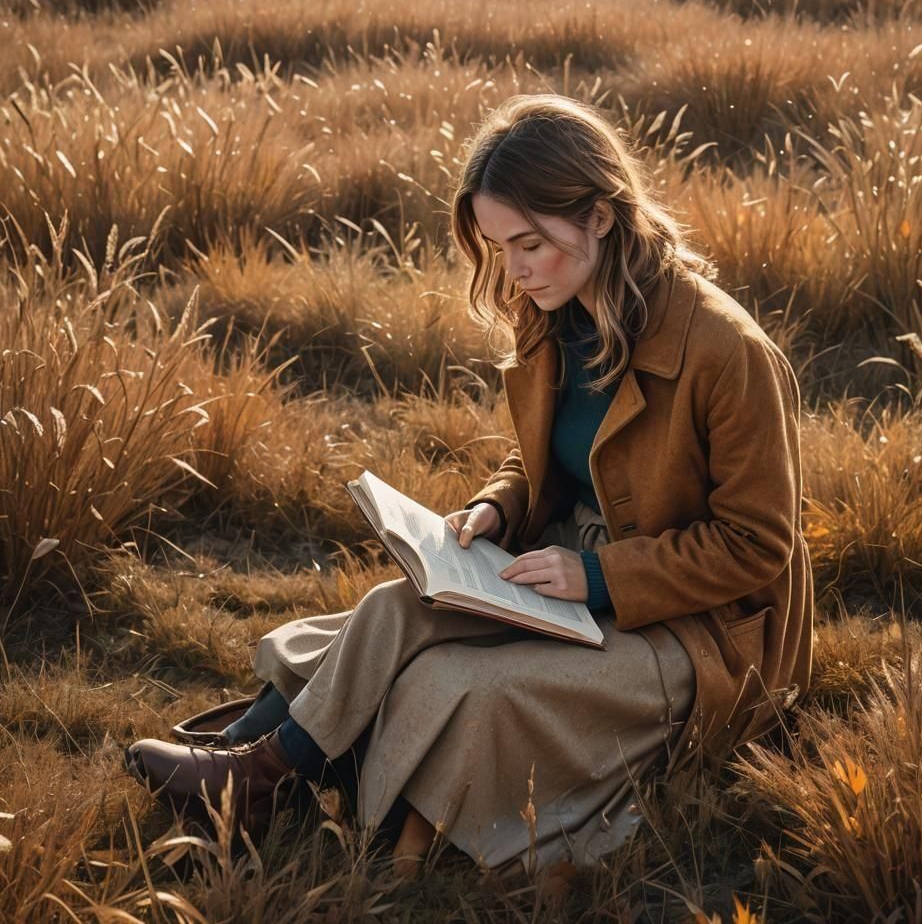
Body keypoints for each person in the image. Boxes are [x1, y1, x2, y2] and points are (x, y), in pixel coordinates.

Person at [124, 93, 814, 885]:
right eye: (497, 246)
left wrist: (596, 578)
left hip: (703, 631)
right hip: (572, 568)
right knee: (391, 606)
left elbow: (758, 545)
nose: (513, 270)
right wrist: (500, 505)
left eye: (529, 243)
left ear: (598, 216)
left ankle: (281, 788)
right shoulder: (556, 313)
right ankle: (250, 772)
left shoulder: (727, 351)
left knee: (468, 685)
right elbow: (550, 461)